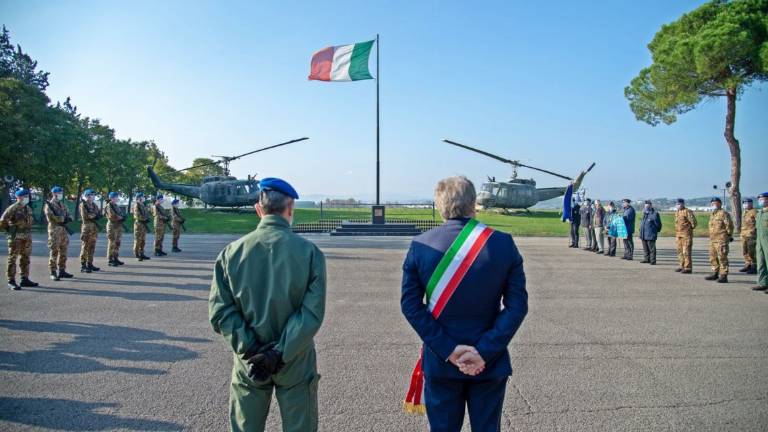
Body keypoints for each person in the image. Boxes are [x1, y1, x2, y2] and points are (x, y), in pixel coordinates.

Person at [400, 176, 528, 431]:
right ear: (474, 204)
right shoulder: (502, 243)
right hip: (489, 363)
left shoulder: (420, 245)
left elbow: (411, 305)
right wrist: (484, 351)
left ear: (440, 206)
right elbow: (517, 306)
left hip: (441, 361)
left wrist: (448, 349)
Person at [209, 177, 326, 432]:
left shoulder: (231, 253)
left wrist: (251, 349)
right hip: (294, 360)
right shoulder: (309, 254)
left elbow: (221, 312)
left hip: (249, 361)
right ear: (290, 207)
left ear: (258, 209)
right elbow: (311, 313)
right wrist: (279, 353)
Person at [0, 188, 38, 290]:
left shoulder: (28, 208)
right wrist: (9, 231)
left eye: (27, 196)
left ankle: (24, 279)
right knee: (12, 258)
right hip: (15, 237)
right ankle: (11, 281)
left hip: (26, 237)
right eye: (25, 196)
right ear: (19, 197)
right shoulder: (13, 208)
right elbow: (2, 221)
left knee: (25, 258)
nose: (27, 198)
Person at [44, 186, 74, 281]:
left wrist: (68, 218)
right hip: (54, 230)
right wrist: (63, 218)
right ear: (54, 193)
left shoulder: (62, 204)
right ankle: (53, 272)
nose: (61, 194)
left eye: (61, 192)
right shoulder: (49, 205)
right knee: (54, 251)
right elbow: (51, 217)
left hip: (63, 230)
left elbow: (69, 215)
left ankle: (62, 270)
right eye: (59, 193)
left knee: (63, 251)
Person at [705, 197, 734, 283]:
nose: (714, 205)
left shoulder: (723, 213)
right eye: (712, 203)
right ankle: (715, 272)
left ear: (720, 204)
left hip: (721, 239)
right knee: (713, 257)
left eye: (716, 203)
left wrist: (729, 235)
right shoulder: (713, 214)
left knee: (722, 257)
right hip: (713, 239)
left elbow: (729, 226)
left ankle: (723, 275)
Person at [79, 189, 101, 273]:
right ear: (87, 196)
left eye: (93, 195)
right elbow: (85, 215)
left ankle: (90, 263)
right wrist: (94, 215)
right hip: (87, 228)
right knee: (85, 246)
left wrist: (96, 215)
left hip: (94, 228)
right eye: (91, 195)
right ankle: (83, 265)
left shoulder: (94, 205)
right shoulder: (83, 205)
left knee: (92, 247)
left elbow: (97, 214)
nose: (93, 196)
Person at [674, 198, 697, 274]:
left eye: (679, 204)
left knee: (686, 252)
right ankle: (682, 266)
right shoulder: (677, 212)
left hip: (686, 235)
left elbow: (694, 223)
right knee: (679, 251)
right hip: (678, 235)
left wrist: (688, 230)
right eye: (677, 204)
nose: (678, 205)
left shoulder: (687, 211)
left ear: (683, 204)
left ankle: (688, 268)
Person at [105, 192, 126, 267]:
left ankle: (115, 258)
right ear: (112, 198)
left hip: (118, 226)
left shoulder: (116, 205)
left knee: (117, 243)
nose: (117, 198)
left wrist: (122, 217)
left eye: (117, 197)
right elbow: (112, 216)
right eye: (116, 197)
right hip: (112, 226)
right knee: (112, 243)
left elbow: (119, 214)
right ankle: (110, 259)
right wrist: (121, 217)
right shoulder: (109, 206)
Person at [639, 200, 662, 265]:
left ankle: (653, 260)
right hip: (643, 234)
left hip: (650, 234)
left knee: (652, 249)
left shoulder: (655, 214)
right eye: (645, 205)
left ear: (651, 205)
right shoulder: (645, 213)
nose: (646, 206)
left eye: (648, 205)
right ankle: (646, 259)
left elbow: (658, 225)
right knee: (645, 248)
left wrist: (654, 232)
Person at [753, 192, 768, 292]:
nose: (760, 201)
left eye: (763, 199)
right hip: (760, 241)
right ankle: (762, 283)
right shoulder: (759, 213)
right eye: (759, 199)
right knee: (761, 262)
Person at [739, 198, 757, 274]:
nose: (746, 204)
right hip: (743, 235)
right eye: (744, 203)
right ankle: (748, 265)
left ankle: (754, 266)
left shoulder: (754, 212)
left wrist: (754, 231)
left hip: (751, 235)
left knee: (752, 252)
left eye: (748, 202)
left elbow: (758, 223)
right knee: (745, 251)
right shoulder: (744, 212)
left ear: (751, 203)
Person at [132, 192, 151, 261]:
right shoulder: (136, 205)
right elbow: (137, 215)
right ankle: (137, 254)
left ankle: (142, 253)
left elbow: (146, 214)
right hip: (139, 224)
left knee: (143, 240)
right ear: (139, 198)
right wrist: (145, 219)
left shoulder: (142, 205)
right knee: (138, 240)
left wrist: (147, 218)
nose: (144, 198)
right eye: (143, 197)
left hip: (143, 224)